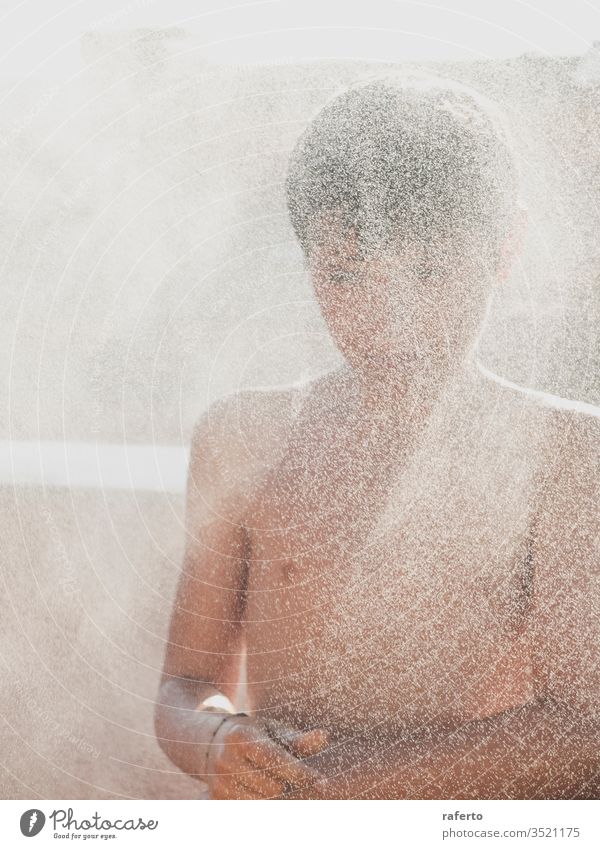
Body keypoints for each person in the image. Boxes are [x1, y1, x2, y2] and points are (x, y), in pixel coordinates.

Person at [154, 73, 600, 799]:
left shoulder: (565, 455)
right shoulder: (244, 438)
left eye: (429, 272)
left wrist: (339, 786)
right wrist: (214, 740)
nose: (390, 318)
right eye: (345, 274)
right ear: (306, 263)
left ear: (506, 244)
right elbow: (186, 682)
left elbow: (583, 728)